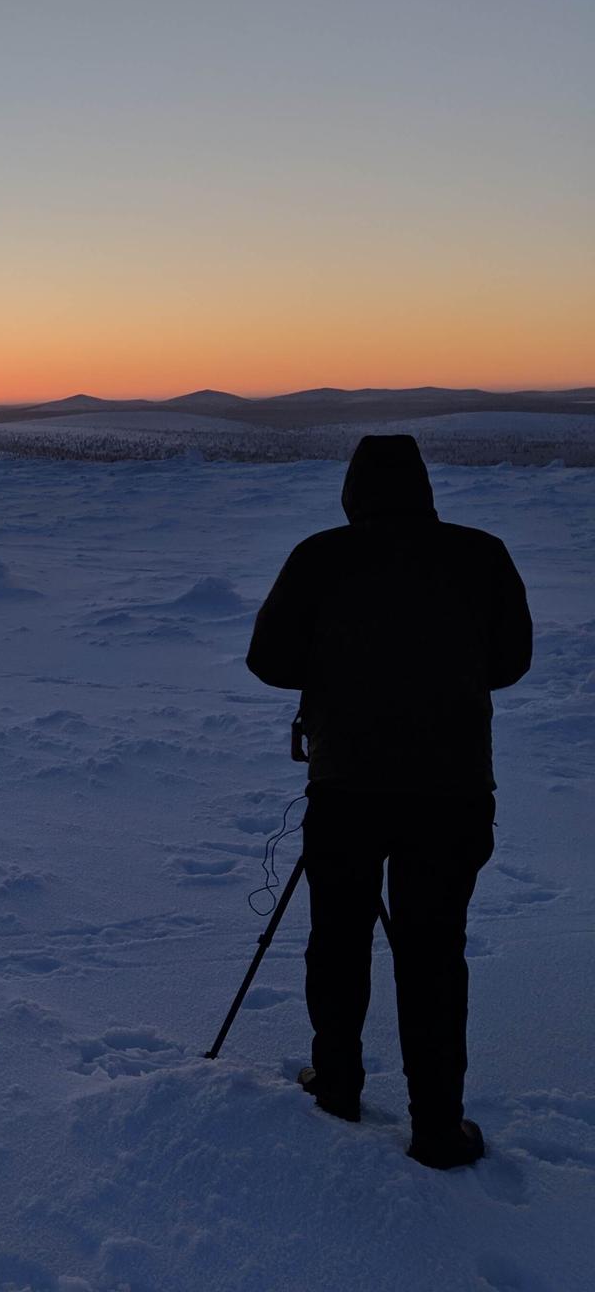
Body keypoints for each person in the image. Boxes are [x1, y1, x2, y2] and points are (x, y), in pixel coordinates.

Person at [247, 435, 531, 1170]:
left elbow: (268, 662)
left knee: (338, 941)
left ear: (353, 492)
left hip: (347, 787)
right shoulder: (481, 554)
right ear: (423, 488)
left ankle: (336, 1083)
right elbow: (512, 662)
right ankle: (438, 1126)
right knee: (434, 953)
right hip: (453, 790)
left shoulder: (320, 557)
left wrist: (342, 667)